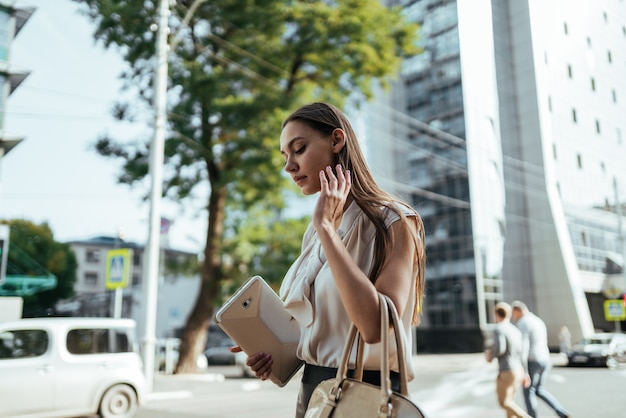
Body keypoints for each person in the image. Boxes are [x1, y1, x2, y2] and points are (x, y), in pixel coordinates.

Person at [231, 102, 426, 417]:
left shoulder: (395, 221)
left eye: (299, 149)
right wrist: (273, 345)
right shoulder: (317, 229)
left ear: (336, 141)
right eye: (285, 156)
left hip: (366, 394)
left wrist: (327, 231)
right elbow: (323, 327)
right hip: (314, 395)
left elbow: (376, 327)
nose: (289, 166)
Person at [511, 301, 571, 418]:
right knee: (538, 389)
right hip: (545, 359)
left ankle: (532, 416)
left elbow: (524, 347)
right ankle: (561, 412)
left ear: (518, 311)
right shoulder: (538, 320)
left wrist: (525, 371)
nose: (514, 317)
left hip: (532, 360)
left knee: (528, 392)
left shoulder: (524, 322)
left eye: (513, 314)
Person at [485, 302, 532, 418]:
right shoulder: (515, 330)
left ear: (496, 314)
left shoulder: (498, 329)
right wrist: (525, 373)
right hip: (518, 370)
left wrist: (490, 356)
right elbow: (522, 353)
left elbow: (500, 349)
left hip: (507, 370)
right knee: (511, 401)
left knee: (504, 402)